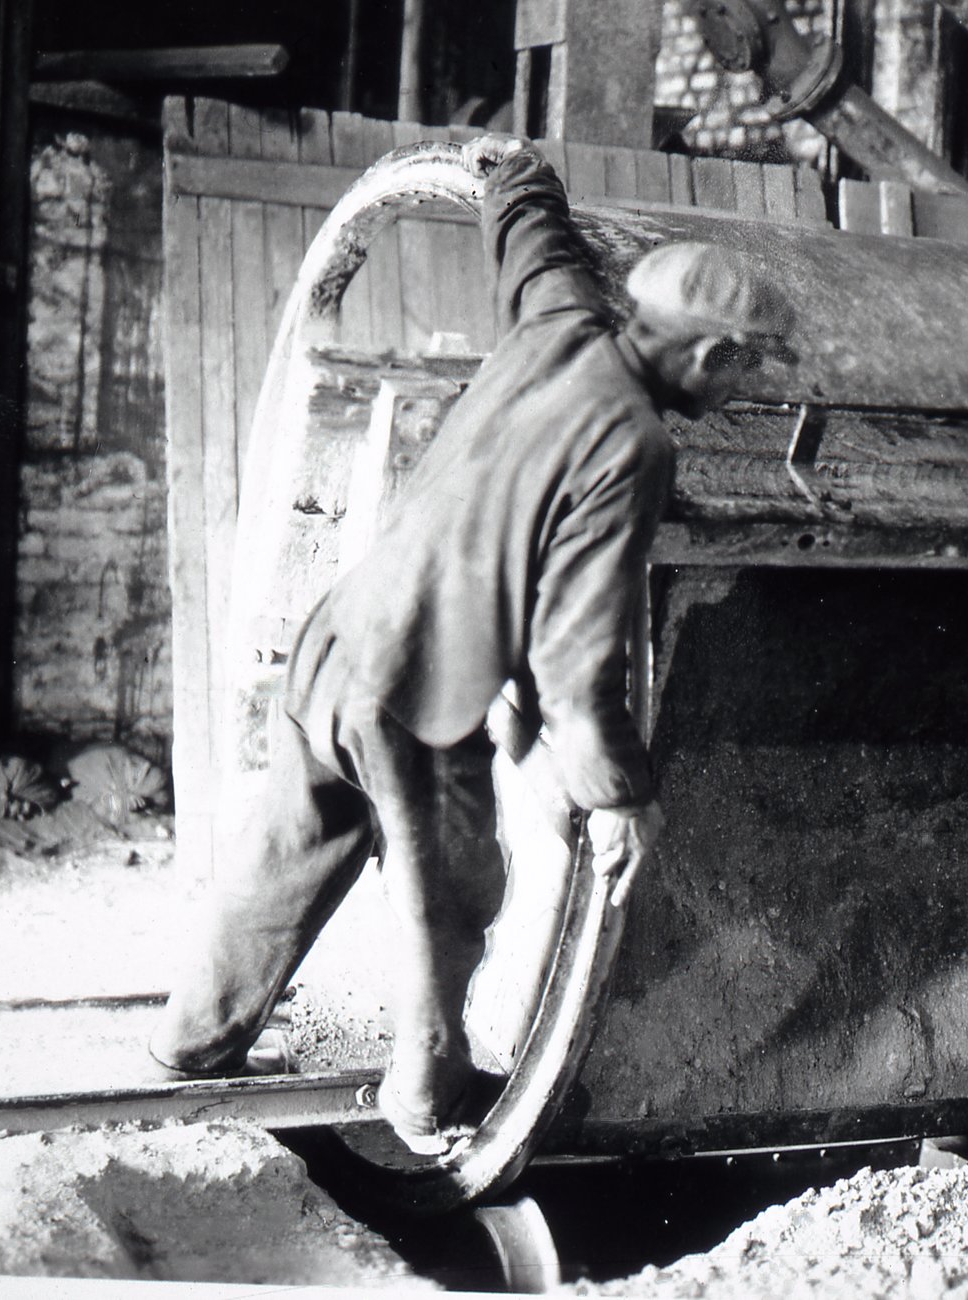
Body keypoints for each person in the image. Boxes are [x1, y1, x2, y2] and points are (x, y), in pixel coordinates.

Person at [149, 135, 799, 1153]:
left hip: (342, 630)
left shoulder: (562, 322)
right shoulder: (634, 442)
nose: (747, 390)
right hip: (422, 691)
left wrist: (516, 172)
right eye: (750, 368)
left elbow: (534, 240)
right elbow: (576, 655)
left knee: (295, 842)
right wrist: (620, 794)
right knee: (453, 896)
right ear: (710, 354)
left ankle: (192, 1043)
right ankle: (423, 1099)